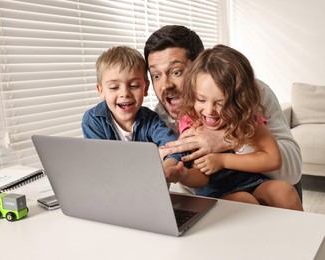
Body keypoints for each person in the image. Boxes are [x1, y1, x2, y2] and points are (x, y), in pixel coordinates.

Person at [144, 25, 302, 186]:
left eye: (176, 72)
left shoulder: (251, 92)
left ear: (200, 66)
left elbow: (292, 172)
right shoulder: (158, 120)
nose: (165, 86)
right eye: (156, 75)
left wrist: (229, 139)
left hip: (262, 196)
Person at [173, 44, 302, 210]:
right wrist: (184, 175)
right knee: (244, 201)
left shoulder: (246, 116)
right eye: (201, 99)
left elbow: (273, 159)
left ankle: (304, 235)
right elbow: (200, 178)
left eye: (220, 103)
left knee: (284, 191)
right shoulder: (191, 121)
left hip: (252, 181)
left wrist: (223, 160)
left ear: (239, 101)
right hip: (216, 191)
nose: (209, 110)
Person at [81, 46, 198, 182]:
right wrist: (152, 157)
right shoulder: (93, 120)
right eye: (114, 87)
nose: (125, 93)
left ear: (145, 88)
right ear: (100, 90)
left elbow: (176, 148)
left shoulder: (152, 120)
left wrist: (165, 169)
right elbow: (102, 164)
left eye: (134, 85)